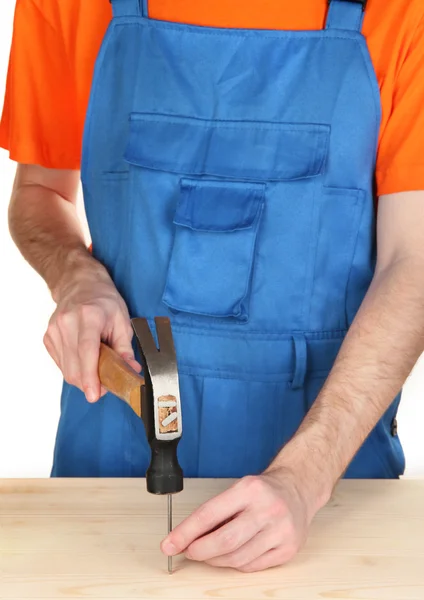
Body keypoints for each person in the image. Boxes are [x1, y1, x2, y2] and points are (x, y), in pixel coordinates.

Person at [2, 0, 424, 573]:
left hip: (328, 485)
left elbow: (414, 262)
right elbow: (40, 193)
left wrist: (303, 479)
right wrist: (74, 275)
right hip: (112, 450)